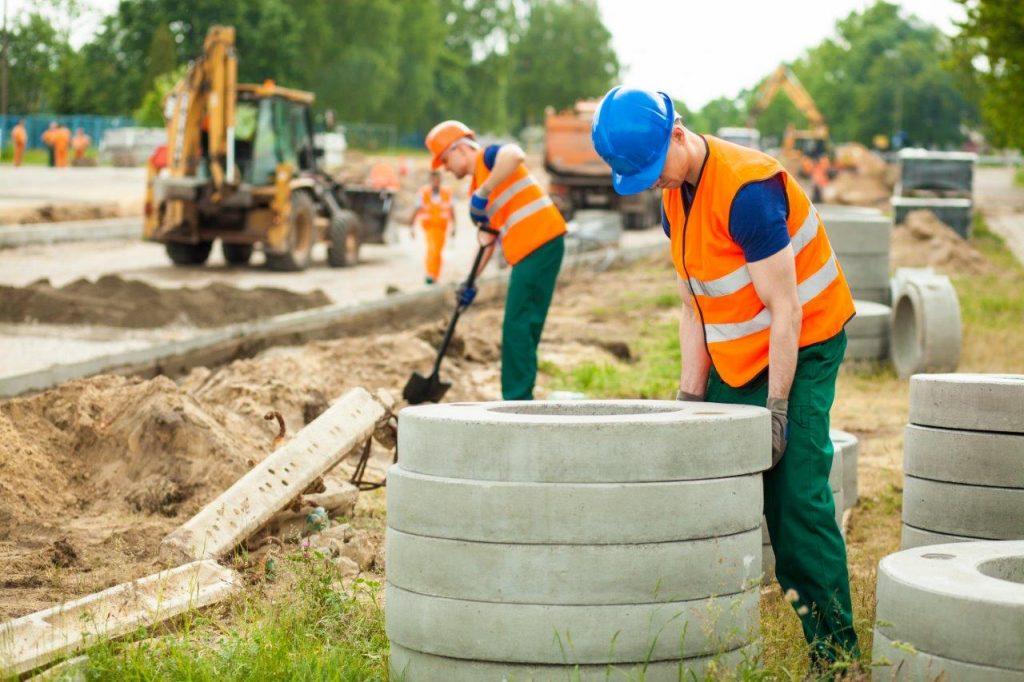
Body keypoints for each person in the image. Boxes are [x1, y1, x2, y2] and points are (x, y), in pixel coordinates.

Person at [591, 86, 858, 665]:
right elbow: (695, 306)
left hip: (802, 344)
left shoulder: (748, 192)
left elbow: (787, 310)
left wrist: (778, 410)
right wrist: (690, 402)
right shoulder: (675, 197)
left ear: (678, 133)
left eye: (654, 168)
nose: (654, 183)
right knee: (703, 473)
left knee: (794, 495)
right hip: (740, 352)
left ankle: (837, 657)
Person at [425, 120, 566, 400]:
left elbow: (515, 154)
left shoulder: (488, 159)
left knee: (516, 324)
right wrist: (470, 282)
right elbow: (488, 240)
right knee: (526, 324)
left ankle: (517, 399)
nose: (446, 169)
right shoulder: (478, 184)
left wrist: (484, 192)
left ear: (461, 148)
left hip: (538, 242)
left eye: (445, 160)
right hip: (541, 245)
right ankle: (522, 395)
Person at [410, 170, 455, 284]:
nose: (435, 182)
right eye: (433, 180)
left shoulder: (447, 192)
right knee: (432, 250)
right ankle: (430, 274)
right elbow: (416, 209)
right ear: (430, 180)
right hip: (429, 227)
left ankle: (435, 275)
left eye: (437, 180)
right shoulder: (424, 193)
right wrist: (411, 226)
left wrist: (454, 226)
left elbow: (452, 210)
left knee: (438, 252)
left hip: (442, 227)